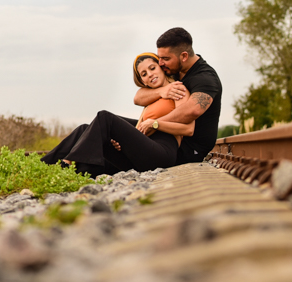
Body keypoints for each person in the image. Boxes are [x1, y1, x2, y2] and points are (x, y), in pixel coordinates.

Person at [41, 53, 195, 178]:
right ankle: (42, 168)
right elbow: (137, 98)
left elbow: (188, 129)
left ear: (161, 68)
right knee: (84, 130)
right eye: (144, 74)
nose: (150, 74)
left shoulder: (178, 89)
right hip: (143, 152)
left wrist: (155, 123)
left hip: (162, 153)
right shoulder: (153, 95)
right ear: (143, 81)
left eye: (152, 68)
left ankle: (66, 163)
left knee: (104, 118)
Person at [134, 27, 222, 165]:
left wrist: (154, 124)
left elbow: (192, 110)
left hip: (186, 150)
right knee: (102, 127)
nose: (160, 63)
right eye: (160, 57)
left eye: (165, 58)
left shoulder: (205, 78)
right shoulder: (173, 69)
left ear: (184, 56)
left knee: (108, 122)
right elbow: (138, 97)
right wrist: (161, 92)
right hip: (167, 136)